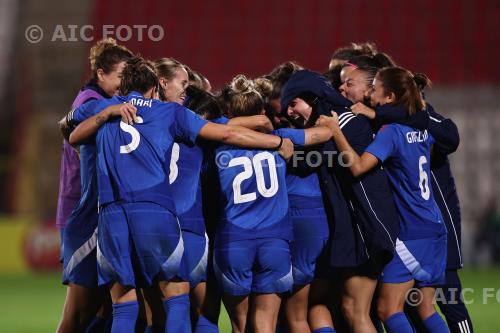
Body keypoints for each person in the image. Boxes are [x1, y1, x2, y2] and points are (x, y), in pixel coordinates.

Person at [68, 57, 294, 333]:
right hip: (157, 212)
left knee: (124, 307)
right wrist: (278, 141)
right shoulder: (169, 113)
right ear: (155, 87)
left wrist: (105, 114)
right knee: (178, 301)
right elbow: (225, 134)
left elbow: (70, 132)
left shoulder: (105, 108)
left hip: (111, 216)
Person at [319, 67, 450, 333]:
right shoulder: (423, 127)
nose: (370, 94)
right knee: (426, 309)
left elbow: (356, 167)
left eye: (374, 89)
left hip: (411, 232)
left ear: (389, 96)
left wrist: (336, 131)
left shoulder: (390, 132)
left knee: (387, 309)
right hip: (435, 228)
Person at [212, 75, 335, 333]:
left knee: (240, 325)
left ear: (229, 110)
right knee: (266, 325)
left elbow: (211, 125)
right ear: (260, 110)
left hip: (234, 240)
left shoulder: (215, 138)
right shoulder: (280, 137)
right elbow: (324, 132)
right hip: (275, 242)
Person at [281, 70, 400, 333]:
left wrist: (280, 141)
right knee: (330, 304)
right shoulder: (332, 121)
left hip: (368, 225)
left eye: (293, 103)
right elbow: (314, 160)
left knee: (356, 310)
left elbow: (341, 162)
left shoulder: (341, 121)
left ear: (312, 98)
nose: (290, 112)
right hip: (355, 226)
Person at [56, 38, 133, 333]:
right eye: (120, 78)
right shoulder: (90, 103)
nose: (123, 86)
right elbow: (67, 127)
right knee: (79, 310)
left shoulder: (98, 102)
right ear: (101, 73)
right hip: (85, 209)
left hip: (98, 211)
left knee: (103, 307)